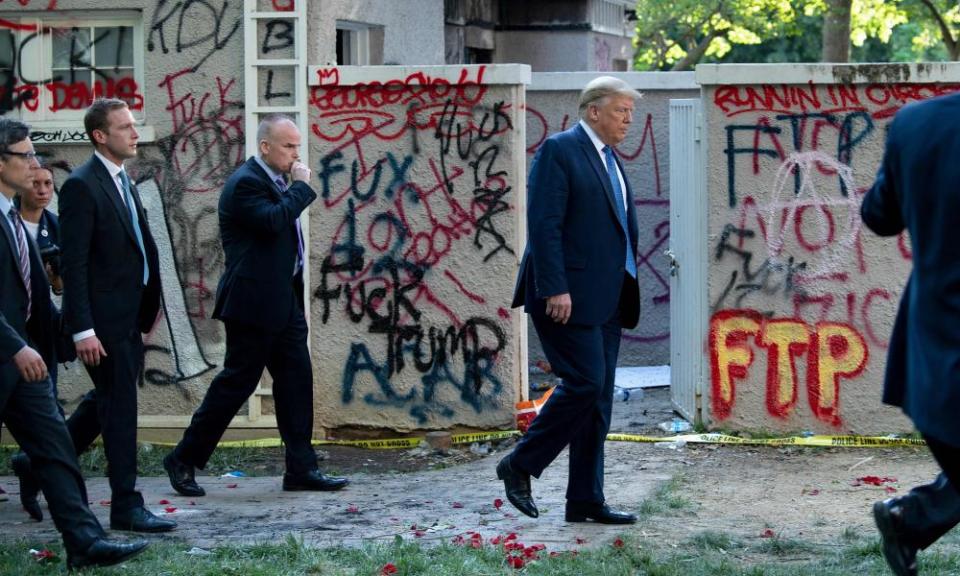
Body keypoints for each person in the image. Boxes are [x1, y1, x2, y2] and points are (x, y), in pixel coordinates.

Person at [162, 114, 348, 497]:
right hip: (252, 305)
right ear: (265, 147)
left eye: (298, 145)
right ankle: (183, 458)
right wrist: (301, 187)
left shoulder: (275, 181)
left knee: (296, 383)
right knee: (236, 384)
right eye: (288, 146)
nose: (297, 153)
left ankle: (301, 468)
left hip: (284, 303)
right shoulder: (246, 183)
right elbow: (272, 222)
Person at [0, 117, 149, 569]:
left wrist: (56, 337)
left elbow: (30, 293)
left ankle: (83, 542)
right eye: (24, 155)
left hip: (24, 359)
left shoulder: (13, 215)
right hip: (10, 352)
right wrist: (15, 345)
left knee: (54, 447)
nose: (33, 163)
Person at [498, 76, 642, 523]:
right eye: (621, 111)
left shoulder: (609, 159)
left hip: (608, 299)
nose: (628, 121)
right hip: (566, 297)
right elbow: (544, 224)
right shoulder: (560, 150)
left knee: (597, 401)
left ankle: (585, 500)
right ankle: (519, 464)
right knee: (584, 383)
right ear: (593, 110)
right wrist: (554, 286)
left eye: (631, 114)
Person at [58, 98, 174, 533]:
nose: (134, 132)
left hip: (129, 318)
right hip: (102, 325)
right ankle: (125, 505)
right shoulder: (82, 186)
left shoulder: (123, 180)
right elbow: (74, 264)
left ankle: (36, 463)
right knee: (120, 410)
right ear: (100, 136)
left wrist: (146, 313)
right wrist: (83, 328)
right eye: (124, 127)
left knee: (104, 402)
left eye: (133, 125)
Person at [861, 92, 960, 576]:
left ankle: (909, 520)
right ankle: (909, 520)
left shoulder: (916, 123)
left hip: (935, 347)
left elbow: (879, 215)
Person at [10, 160, 70, 522]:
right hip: (11, 333)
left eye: (49, 183)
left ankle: (34, 473)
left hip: (41, 331)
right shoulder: (9, 222)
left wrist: (56, 280)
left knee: (48, 409)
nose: (44, 190)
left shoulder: (54, 227)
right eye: (36, 183)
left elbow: (60, 288)